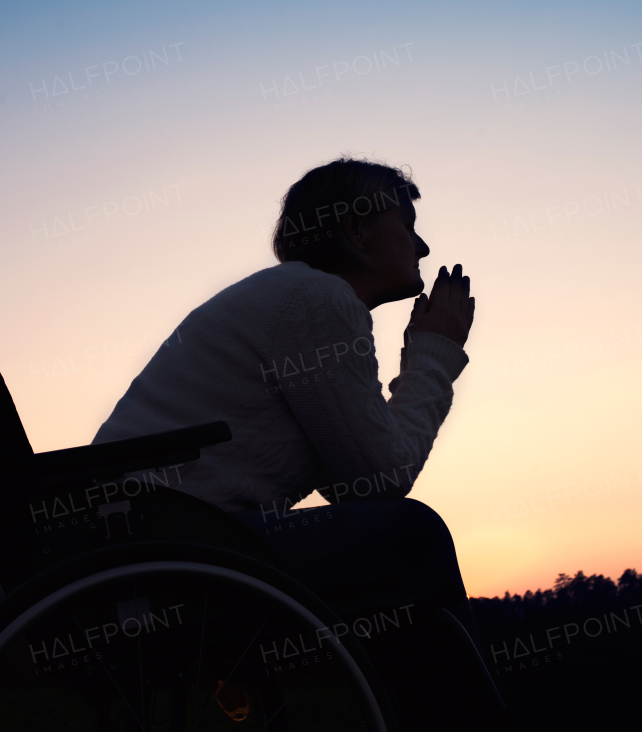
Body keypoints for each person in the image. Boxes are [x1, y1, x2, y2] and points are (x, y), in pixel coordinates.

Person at [93, 157, 504, 724]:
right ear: (357, 231)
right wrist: (434, 353)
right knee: (415, 536)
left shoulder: (297, 299)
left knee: (396, 561)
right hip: (177, 547)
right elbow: (380, 481)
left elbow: (356, 481)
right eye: (406, 224)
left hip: (147, 537)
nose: (424, 246)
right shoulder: (316, 301)